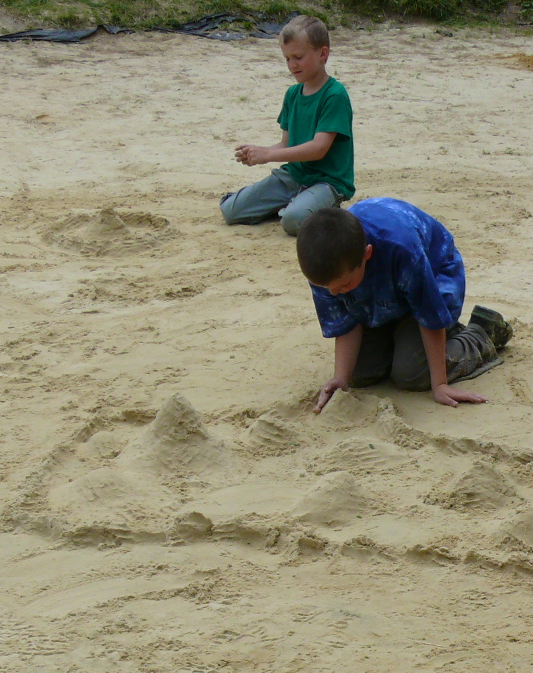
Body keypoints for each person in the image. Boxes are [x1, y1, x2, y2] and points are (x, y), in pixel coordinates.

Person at [296, 200, 512, 410]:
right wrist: (341, 379)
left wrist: (440, 384)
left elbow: (430, 312)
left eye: (343, 285)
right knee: (360, 374)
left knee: (412, 373)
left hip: (434, 276)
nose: (333, 293)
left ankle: (481, 332)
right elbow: (345, 323)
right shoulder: (326, 267)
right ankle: (401, 336)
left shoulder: (402, 249)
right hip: (380, 296)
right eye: (327, 287)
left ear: (367, 254)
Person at [219, 16, 354, 236]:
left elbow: (319, 148)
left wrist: (268, 156)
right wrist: (258, 151)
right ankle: (296, 205)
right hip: (294, 176)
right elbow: (286, 144)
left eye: (298, 57)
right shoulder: (292, 94)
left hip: (327, 182)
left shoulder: (335, 95)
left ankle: (314, 207)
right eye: (287, 58)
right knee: (230, 210)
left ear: (323, 54)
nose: (292, 65)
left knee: (293, 221)